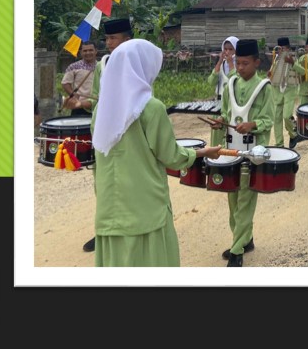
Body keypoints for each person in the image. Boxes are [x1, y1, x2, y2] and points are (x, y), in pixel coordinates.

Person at [92, 39, 224, 266]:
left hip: (109, 210)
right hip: (145, 209)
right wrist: (202, 152)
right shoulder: (151, 108)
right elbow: (171, 156)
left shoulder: (100, 110)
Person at [205, 38, 274, 267]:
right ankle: (246, 238)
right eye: (238, 62)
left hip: (252, 152)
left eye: (245, 63)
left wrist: (252, 125)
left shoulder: (265, 87)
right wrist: (220, 122)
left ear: (256, 63)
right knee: (232, 198)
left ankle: (237, 250)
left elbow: (268, 119)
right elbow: (226, 113)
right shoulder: (230, 85)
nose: (241, 67)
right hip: (231, 149)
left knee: (245, 199)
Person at [82, 17, 135, 253]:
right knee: (102, 185)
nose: (109, 43)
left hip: (127, 136)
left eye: (114, 38)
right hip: (102, 136)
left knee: (128, 184)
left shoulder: (136, 64)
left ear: (128, 40)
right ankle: (103, 231)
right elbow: (95, 100)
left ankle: (128, 230)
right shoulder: (102, 66)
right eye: (107, 38)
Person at [207, 36, 239, 149]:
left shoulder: (240, 64)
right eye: (225, 49)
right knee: (216, 134)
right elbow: (211, 81)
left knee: (231, 134)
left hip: (233, 103)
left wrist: (231, 64)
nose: (227, 52)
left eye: (231, 49)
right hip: (219, 102)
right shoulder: (221, 65)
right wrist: (220, 62)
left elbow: (236, 82)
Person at [267, 37, 299, 147]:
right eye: (280, 49)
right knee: (276, 118)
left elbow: (302, 71)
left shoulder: (293, 57)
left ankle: (294, 134)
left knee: (287, 115)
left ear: (288, 48)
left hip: (290, 89)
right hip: (277, 91)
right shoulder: (275, 59)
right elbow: (272, 72)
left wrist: (293, 63)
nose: (281, 51)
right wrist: (269, 73)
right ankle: (279, 143)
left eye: (283, 48)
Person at [60, 41, 98, 115]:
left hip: (97, 105)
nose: (88, 53)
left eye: (90, 50)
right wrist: (73, 95)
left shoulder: (101, 67)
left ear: (96, 51)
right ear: (81, 52)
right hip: (79, 106)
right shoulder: (73, 66)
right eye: (85, 51)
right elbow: (65, 83)